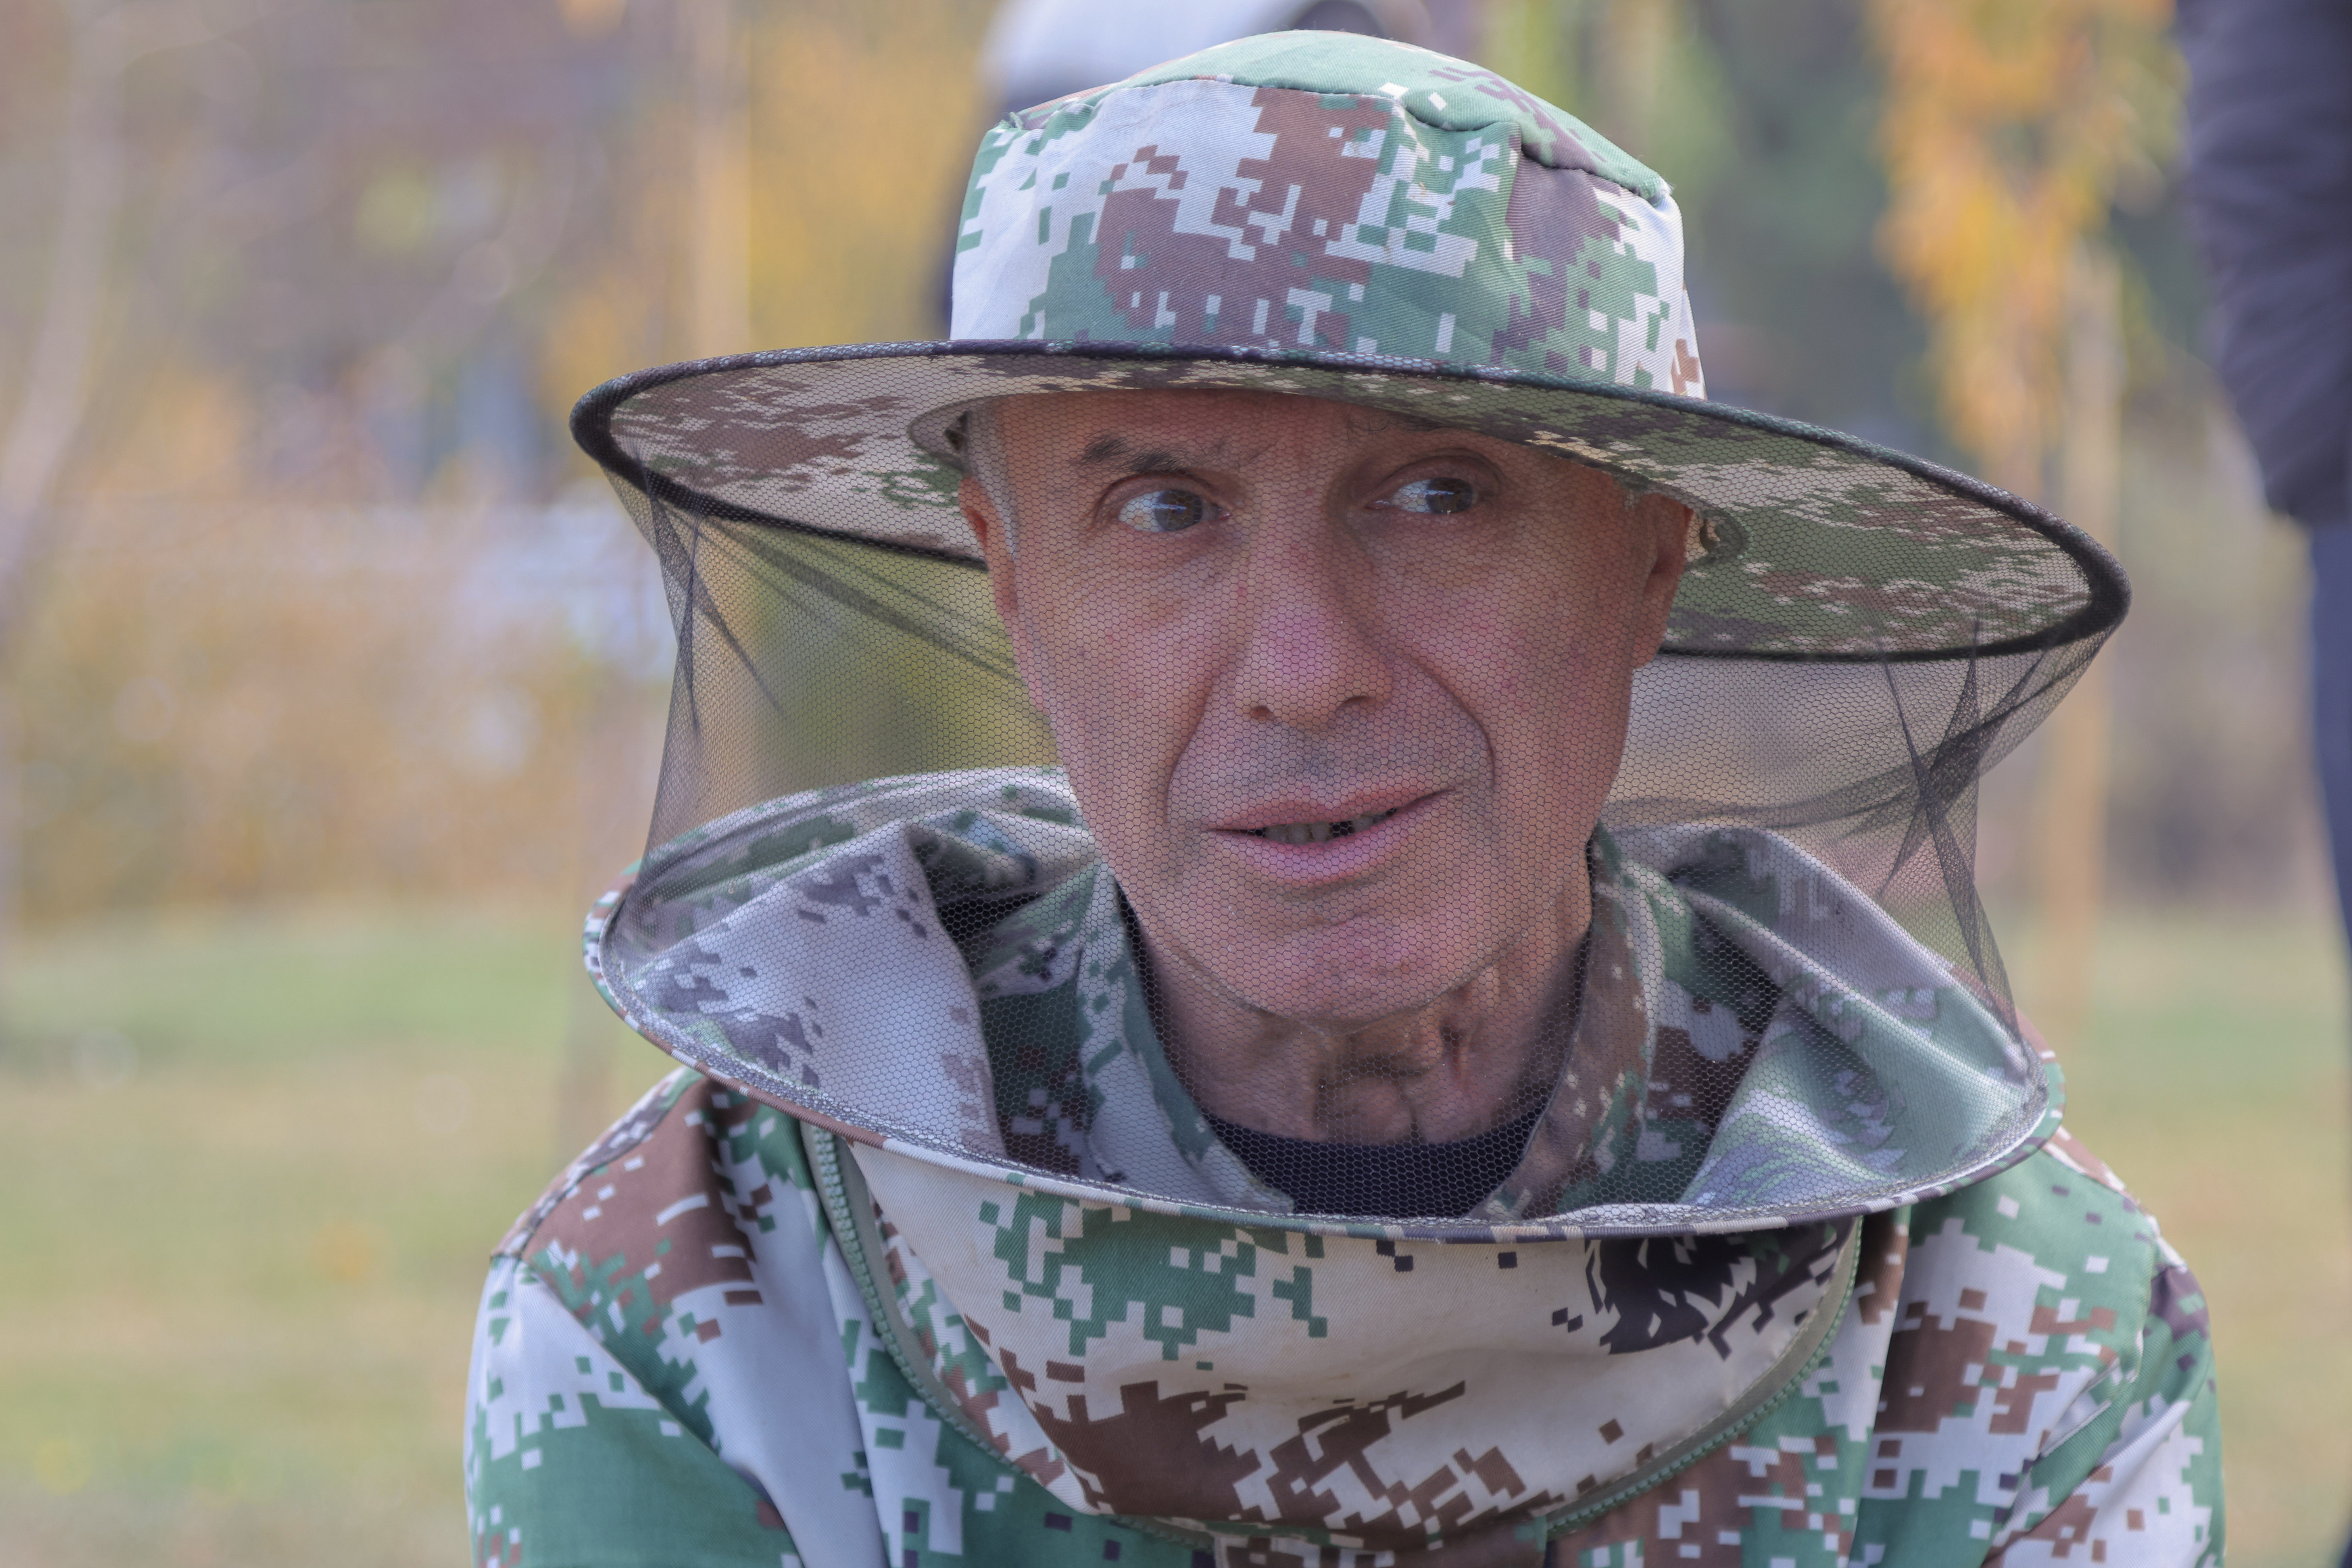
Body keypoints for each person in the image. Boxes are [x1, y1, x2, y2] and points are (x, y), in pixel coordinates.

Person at [466, 33, 2220, 1567]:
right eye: (1164, 512)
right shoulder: (702, 1306)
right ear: (1008, 579)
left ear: (1649, 559)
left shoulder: (2006, 1322)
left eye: (1438, 496)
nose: (1304, 670)